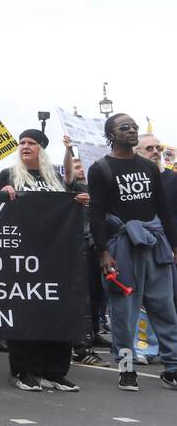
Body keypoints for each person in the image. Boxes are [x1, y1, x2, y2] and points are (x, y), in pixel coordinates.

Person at [89, 114, 177, 392]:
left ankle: (173, 367)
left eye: (134, 127)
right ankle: (127, 369)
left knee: (164, 306)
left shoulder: (149, 168)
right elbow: (96, 213)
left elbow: (162, 210)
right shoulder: (100, 168)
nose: (132, 131)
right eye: (124, 127)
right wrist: (103, 252)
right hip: (121, 248)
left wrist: (173, 246)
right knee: (124, 311)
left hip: (154, 244)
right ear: (111, 134)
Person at [0, 129, 88, 392]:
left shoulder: (57, 177)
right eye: (22, 142)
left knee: (58, 310)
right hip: (23, 256)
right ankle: (24, 370)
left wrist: (80, 200)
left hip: (57, 256)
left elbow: (75, 201)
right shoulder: (9, 174)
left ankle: (55, 371)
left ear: (42, 149)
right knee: (26, 311)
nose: (25, 146)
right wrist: (1, 195)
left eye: (32, 143)